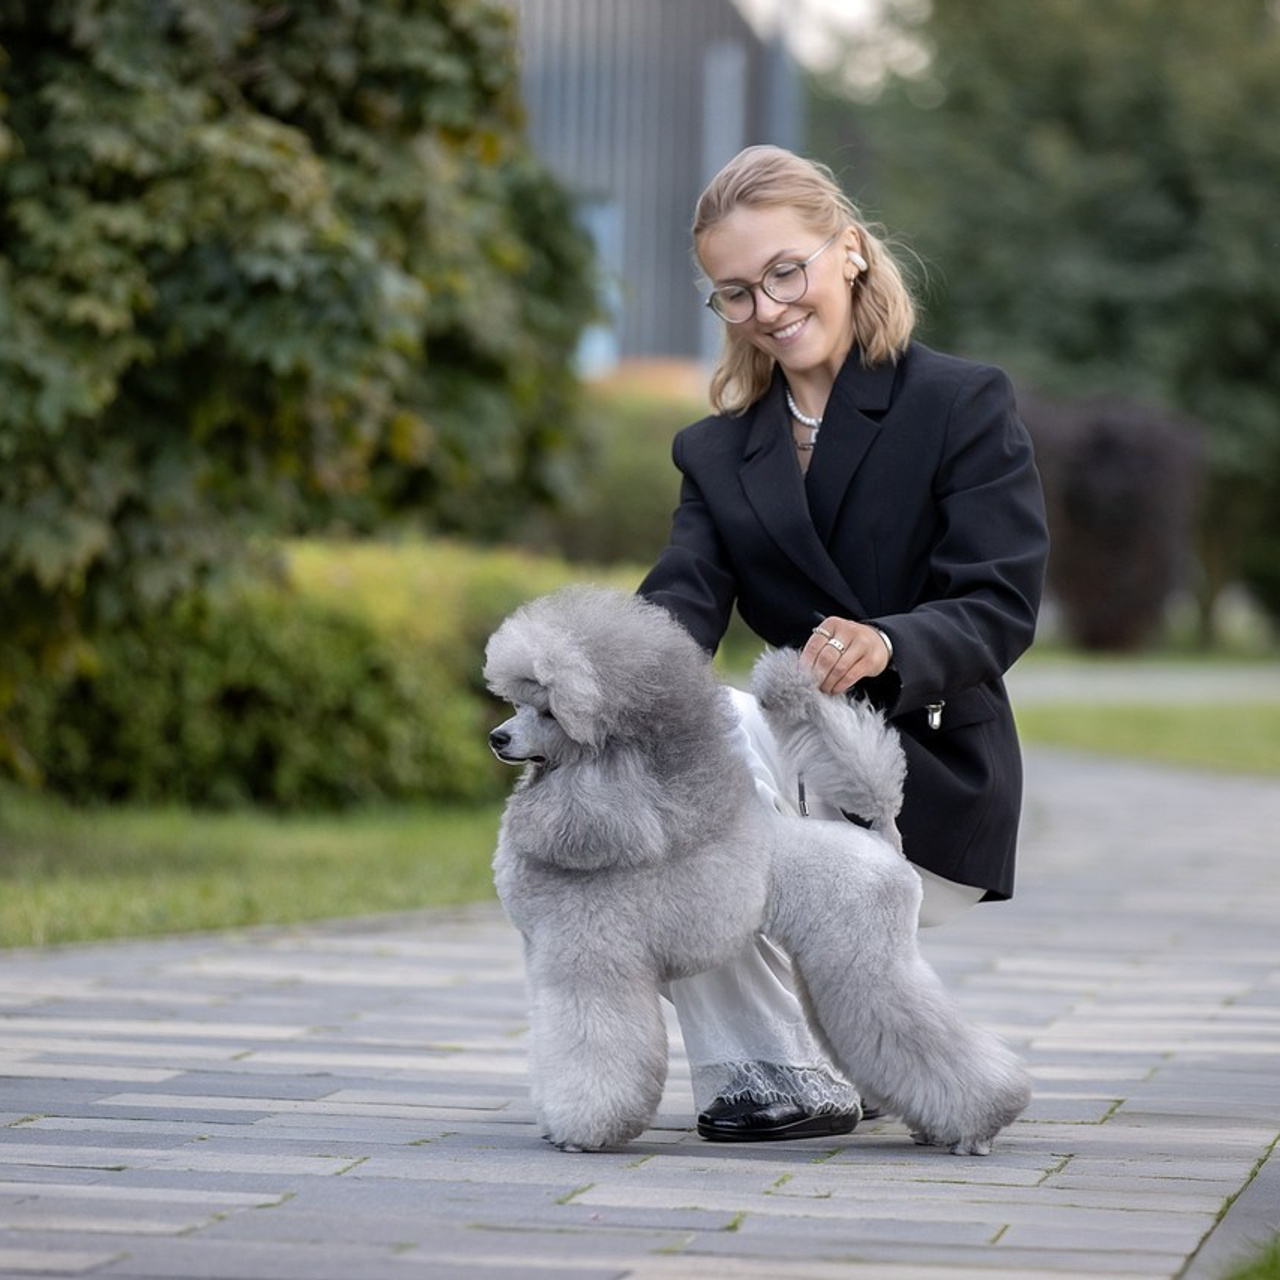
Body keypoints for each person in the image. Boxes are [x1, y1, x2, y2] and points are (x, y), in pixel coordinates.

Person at [638, 144, 1049, 1142]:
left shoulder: (958, 402)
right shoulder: (714, 449)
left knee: (716, 763)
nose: (767, 308)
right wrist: (591, 689)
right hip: (786, 780)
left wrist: (886, 644)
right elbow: (676, 604)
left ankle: (825, 1050)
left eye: (785, 270)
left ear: (849, 251)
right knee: (684, 731)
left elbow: (997, 602)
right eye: (733, 293)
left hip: (923, 780)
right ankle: (767, 1070)